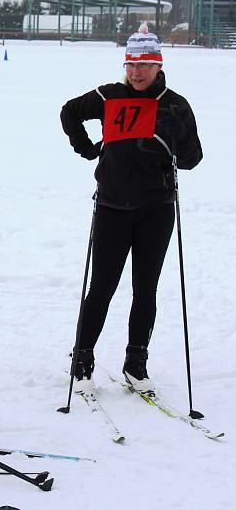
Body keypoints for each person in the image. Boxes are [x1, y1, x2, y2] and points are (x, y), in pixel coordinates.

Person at [60, 23, 203, 394]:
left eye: (145, 65)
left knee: (146, 289)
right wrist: (86, 148)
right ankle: (82, 358)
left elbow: (192, 159)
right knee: (102, 287)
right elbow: (69, 112)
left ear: (158, 66)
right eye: (131, 65)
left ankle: (136, 363)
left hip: (156, 210)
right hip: (111, 207)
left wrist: (175, 135)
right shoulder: (109, 97)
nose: (137, 73)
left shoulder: (174, 103)